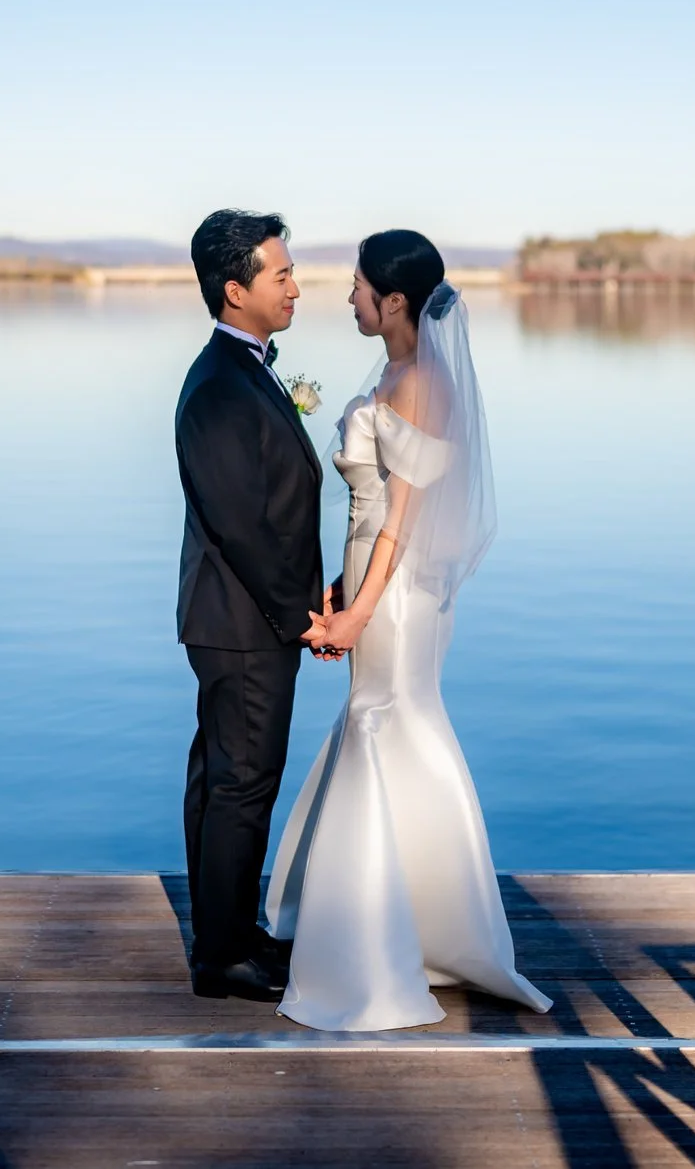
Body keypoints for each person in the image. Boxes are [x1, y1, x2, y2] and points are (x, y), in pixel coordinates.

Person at [263, 229, 550, 1030]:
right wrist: (341, 587)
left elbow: (403, 520)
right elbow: (370, 508)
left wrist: (359, 608)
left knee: (390, 718)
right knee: (386, 721)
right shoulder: (392, 370)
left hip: (398, 593)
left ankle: (377, 941)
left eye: (357, 287)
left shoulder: (423, 380)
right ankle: (413, 917)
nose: (347, 298)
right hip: (371, 579)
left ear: (393, 299)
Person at [173, 209, 334, 1001]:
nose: (296, 286)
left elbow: (274, 510)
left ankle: (230, 932)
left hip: (243, 617)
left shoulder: (248, 369)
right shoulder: (218, 389)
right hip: (242, 622)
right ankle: (223, 957)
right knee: (242, 782)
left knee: (226, 778)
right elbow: (241, 525)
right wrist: (302, 616)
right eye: (282, 274)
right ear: (236, 290)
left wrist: (318, 592)